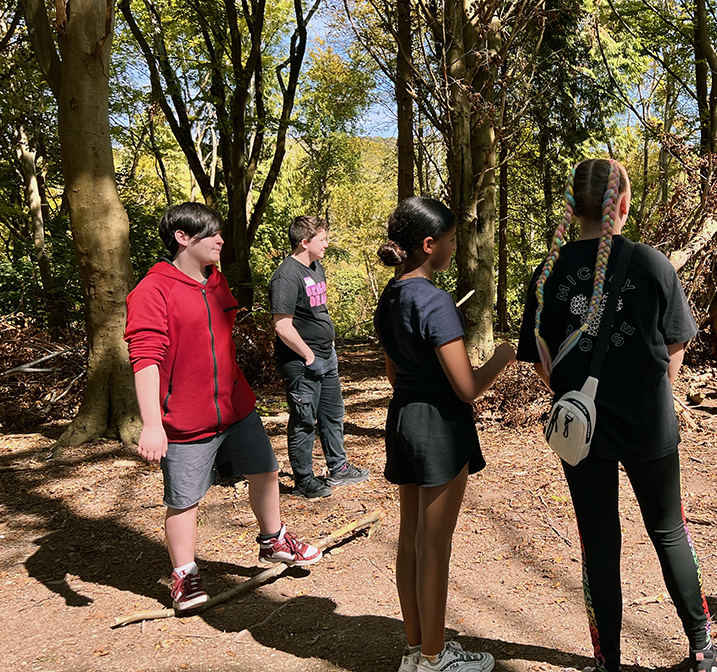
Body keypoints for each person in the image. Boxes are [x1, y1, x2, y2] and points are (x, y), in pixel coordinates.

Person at [517, 159, 717, 672]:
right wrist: (653, 390)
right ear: (624, 204)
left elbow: (543, 362)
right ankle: (702, 648)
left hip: (578, 431)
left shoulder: (548, 274)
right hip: (649, 422)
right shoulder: (653, 264)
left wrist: (579, 394)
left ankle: (606, 661)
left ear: (572, 207)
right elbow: (676, 341)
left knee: (598, 540)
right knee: (669, 529)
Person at [126, 202, 322, 613]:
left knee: (266, 470)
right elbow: (145, 358)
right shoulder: (152, 289)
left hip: (236, 407)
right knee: (184, 498)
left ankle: (274, 542)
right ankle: (183, 575)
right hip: (184, 418)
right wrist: (151, 424)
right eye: (211, 233)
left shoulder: (216, 280)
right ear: (182, 238)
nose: (220, 239)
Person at [375, 197, 516, 672]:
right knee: (434, 546)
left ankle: (416, 651)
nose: (456, 248)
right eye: (452, 241)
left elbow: (395, 376)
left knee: (410, 542)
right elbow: (467, 387)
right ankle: (435, 659)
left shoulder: (391, 295)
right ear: (429, 244)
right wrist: (502, 354)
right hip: (438, 428)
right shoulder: (434, 300)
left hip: (403, 421)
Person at [270, 215, 370, 498]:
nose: (327, 243)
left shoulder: (315, 267)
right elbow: (282, 325)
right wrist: (309, 356)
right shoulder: (286, 276)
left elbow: (318, 312)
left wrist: (329, 345)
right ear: (305, 242)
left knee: (333, 415)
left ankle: (338, 468)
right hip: (302, 363)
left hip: (327, 356)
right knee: (303, 421)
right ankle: (304, 481)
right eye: (322, 239)